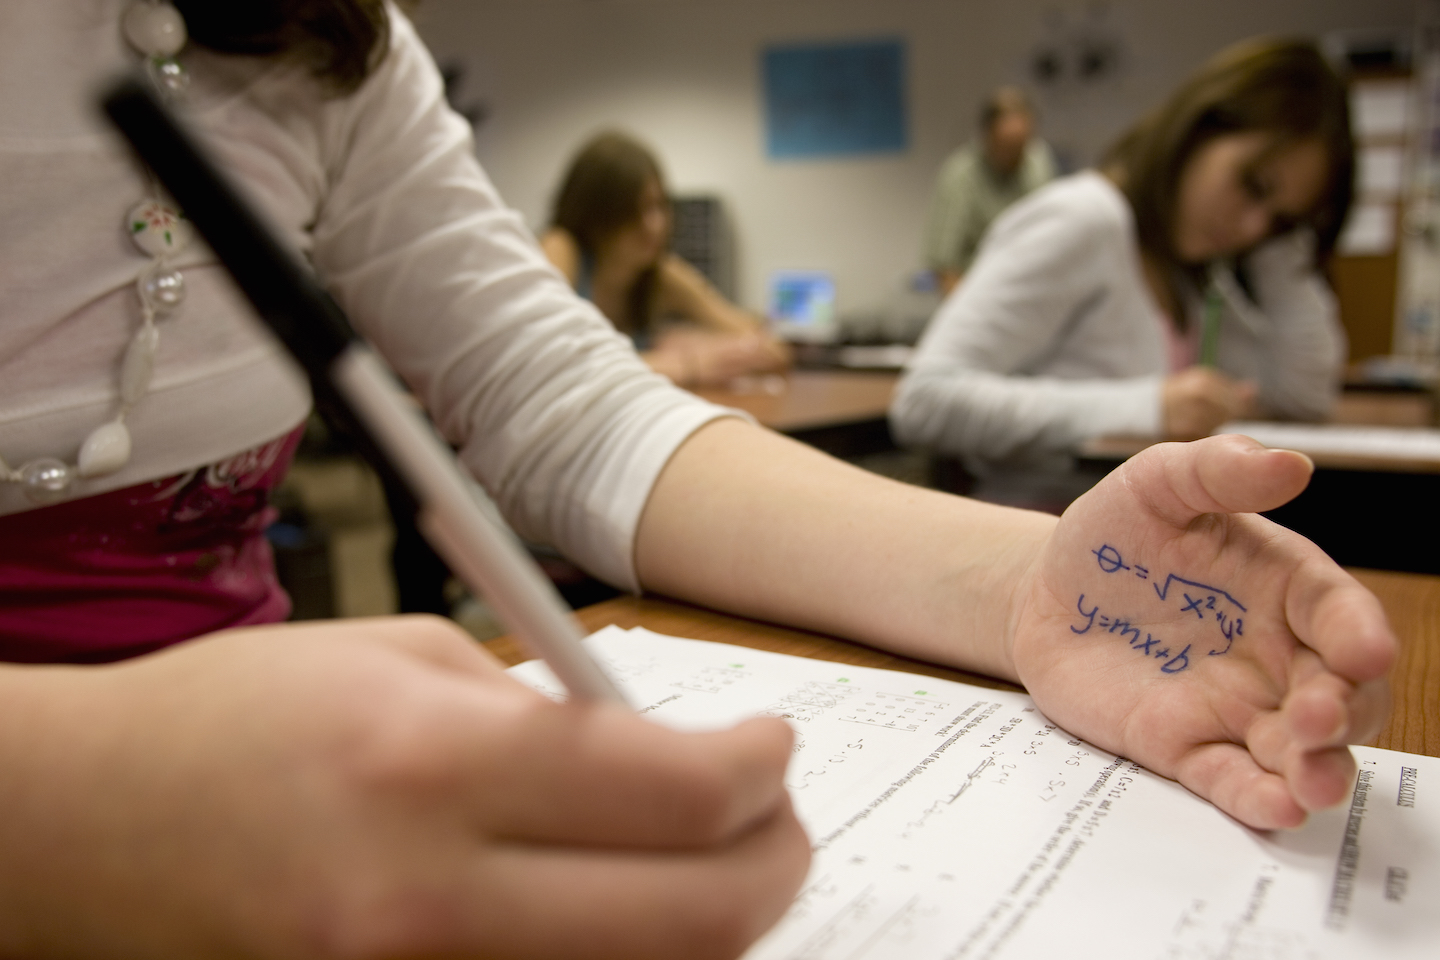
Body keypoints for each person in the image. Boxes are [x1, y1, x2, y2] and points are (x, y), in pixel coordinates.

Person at [0, 5, 1393, 957]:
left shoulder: (324, 35)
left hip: (288, 815)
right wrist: (74, 803)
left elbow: (562, 406)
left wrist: (1024, 586)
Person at [893, 40, 1351, 498]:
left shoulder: (1186, 269)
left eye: (1279, 220)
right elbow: (925, 401)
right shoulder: (1084, 220)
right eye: (1254, 185)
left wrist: (1284, 249)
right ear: (1198, 129)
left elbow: (1300, 398)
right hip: (1036, 536)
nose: (1253, 227)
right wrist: (1145, 407)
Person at [540, 131, 790, 388]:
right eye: (633, 210)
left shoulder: (660, 274)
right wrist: (684, 364)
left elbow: (766, 342)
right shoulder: (561, 248)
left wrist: (717, 346)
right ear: (597, 213)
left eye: (659, 205)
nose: (655, 225)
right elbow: (548, 360)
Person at [922, 87, 1058, 296]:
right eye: (1007, 146)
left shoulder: (1038, 161)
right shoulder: (960, 175)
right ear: (986, 137)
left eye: (1021, 145)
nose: (1015, 156)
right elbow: (944, 265)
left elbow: (1052, 235)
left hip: (1033, 289)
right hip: (978, 290)